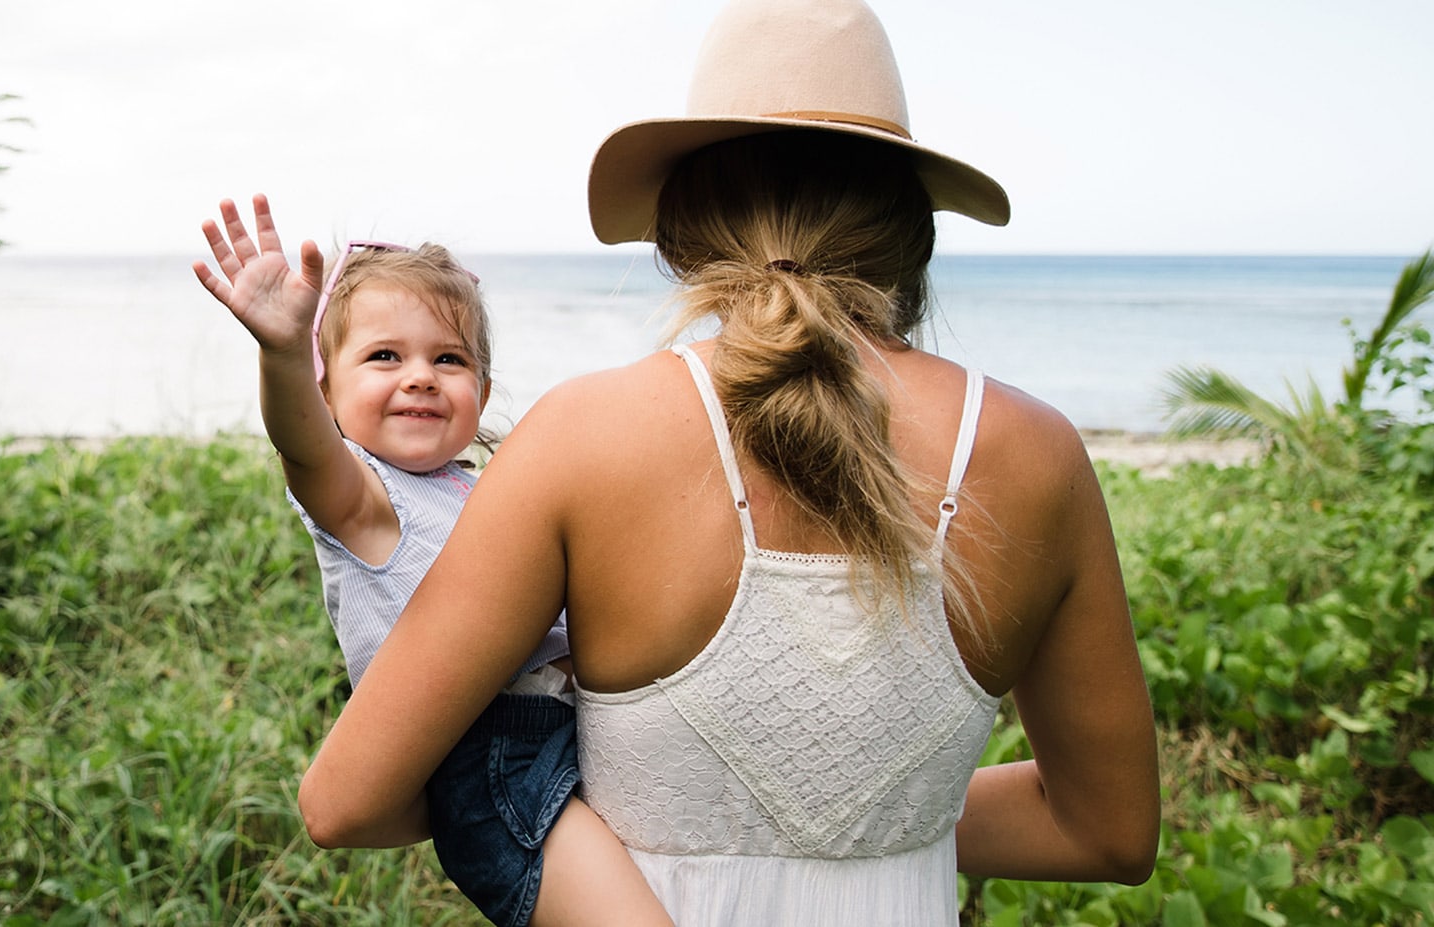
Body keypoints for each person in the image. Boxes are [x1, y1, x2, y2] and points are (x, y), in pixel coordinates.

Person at [295, 0, 1162, 923]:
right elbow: (1107, 829)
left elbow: (346, 801)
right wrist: (876, 831)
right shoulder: (1039, 451)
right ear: (913, 232)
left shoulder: (585, 436)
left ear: (682, 226)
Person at [191, 196, 672, 927]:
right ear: (327, 391)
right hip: (492, 769)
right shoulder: (364, 496)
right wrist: (284, 353)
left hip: (563, 736)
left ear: (480, 388)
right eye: (385, 356)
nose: (420, 376)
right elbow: (302, 447)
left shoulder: (479, 490)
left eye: (449, 359)